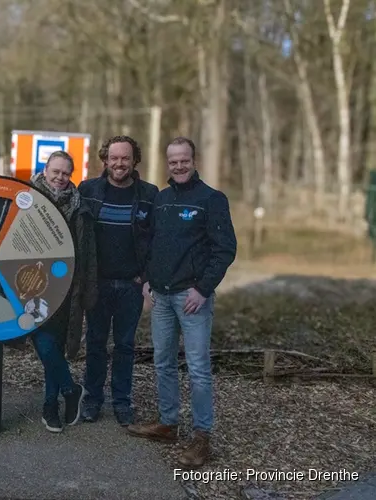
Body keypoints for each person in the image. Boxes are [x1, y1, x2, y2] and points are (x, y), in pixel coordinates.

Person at [127, 137, 237, 468]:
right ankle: (168, 423)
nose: (178, 165)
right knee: (162, 362)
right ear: (167, 163)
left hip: (192, 299)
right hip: (161, 296)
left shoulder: (212, 199)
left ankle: (202, 437)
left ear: (193, 160)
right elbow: (152, 244)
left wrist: (203, 289)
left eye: (183, 160)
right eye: (172, 161)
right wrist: (147, 280)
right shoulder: (161, 200)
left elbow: (225, 249)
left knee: (199, 369)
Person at [77, 136, 158, 426]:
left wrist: (146, 278)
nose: (119, 163)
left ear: (135, 160)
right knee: (96, 343)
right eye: (114, 158)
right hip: (97, 283)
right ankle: (92, 400)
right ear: (105, 160)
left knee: (125, 346)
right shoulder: (88, 190)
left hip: (130, 285)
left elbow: (154, 240)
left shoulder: (149, 194)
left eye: (125, 158)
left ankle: (122, 403)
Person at [29, 151, 98, 432]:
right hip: (30, 286)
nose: (59, 178)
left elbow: (89, 252)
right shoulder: (27, 199)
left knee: (54, 346)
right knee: (43, 342)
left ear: (71, 176)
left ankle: (50, 406)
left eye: (65, 173)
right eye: (55, 171)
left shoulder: (79, 206)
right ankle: (70, 390)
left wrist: (87, 290)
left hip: (66, 288)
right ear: (45, 170)